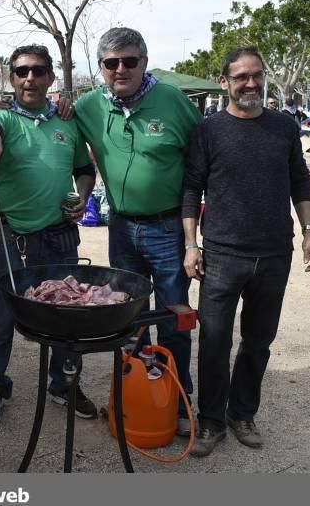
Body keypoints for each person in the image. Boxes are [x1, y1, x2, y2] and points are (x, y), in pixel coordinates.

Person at [182, 46, 310, 457]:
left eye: (256, 75)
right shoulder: (208, 130)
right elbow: (191, 188)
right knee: (213, 342)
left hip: (274, 255)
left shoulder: (282, 127)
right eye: (241, 76)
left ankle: (242, 414)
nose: (251, 83)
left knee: (258, 341)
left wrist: (309, 232)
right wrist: (192, 244)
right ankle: (210, 422)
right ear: (224, 81)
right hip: (222, 256)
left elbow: (300, 179)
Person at [73, 27, 203, 436]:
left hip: (168, 228)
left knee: (173, 315)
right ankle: (136, 393)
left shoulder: (173, 100)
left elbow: (203, 159)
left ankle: (179, 399)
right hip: (122, 229)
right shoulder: (87, 106)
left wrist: (194, 237)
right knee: (129, 318)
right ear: (101, 68)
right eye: (111, 63)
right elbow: (55, 130)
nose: (121, 69)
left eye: (130, 61)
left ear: (144, 61)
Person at [0, 44, 96, 427]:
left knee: (66, 313)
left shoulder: (67, 123)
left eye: (39, 71)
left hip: (61, 236)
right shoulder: (3, 120)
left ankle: (63, 384)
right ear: (12, 77)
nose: (30, 78)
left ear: (50, 77)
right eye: (22, 71)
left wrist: (83, 196)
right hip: (16, 238)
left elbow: (84, 170)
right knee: (4, 314)